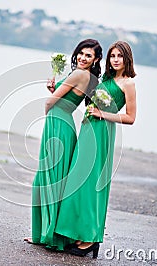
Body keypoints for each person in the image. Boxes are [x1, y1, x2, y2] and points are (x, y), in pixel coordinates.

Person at [54, 41, 137, 258]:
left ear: (127, 59)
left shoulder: (128, 84)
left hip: (102, 133)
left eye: (120, 56)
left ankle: (91, 239)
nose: (115, 60)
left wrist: (103, 115)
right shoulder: (106, 80)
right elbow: (84, 98)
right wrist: (55, 90)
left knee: (92, 185)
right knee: (78, 181)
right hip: (87, 131)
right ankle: (79, 234)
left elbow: (130, 118)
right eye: (112, 56)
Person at [24, 39, 103, 251]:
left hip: (58, 125)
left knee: (48, 179)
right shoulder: (84, 76)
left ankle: (47, 235)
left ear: (95, 59)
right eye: (81, 53)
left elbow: (52, 102)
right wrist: (55, 89)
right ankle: (46, 234)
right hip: (64, 123)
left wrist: (48, 109)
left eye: (89, 55)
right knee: (53, 178)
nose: (83, 58)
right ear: (76, 54)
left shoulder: (80, 74)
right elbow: (64, 99)